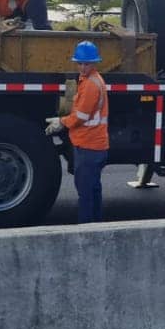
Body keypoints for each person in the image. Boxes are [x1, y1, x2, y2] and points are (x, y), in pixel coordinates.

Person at [44, 41, 108, 222]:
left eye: (86, 63)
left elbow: (81, 115)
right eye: (79, 63)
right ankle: (96, 225)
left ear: (94, 63)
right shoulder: (92, 80)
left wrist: (61, 122)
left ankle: (86, 229)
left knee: (86, 192)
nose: (82, 67)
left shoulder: (90, 85)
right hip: (94, 144)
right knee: (93, 189)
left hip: (89, 145)